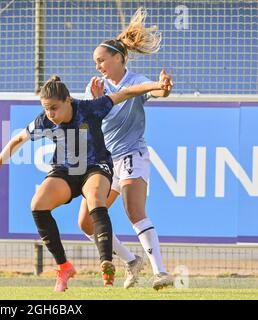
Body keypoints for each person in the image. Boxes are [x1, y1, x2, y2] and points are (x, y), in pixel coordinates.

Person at [0, 73, 171, 292]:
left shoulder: (90, 108)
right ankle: (64, 266)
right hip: (65, 170)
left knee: (96, 197)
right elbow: (18, 139)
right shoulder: (44, 120)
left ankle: (106, 261)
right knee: (38, 205)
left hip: (96, 166)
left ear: (68, 100)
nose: (50, 114)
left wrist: (157, 85)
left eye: (54, 108)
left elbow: (126, 93)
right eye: (46, 108)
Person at [78, 8, 174, 290]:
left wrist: (163, 87)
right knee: (85, 222)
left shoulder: (135, 80)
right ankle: (131, 261)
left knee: (134, 210)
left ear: (118, 58)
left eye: (101, 60)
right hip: (105, 163)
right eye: (96, 62)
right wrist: (96, 103)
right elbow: (89, 122)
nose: (98, 66)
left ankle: (161, 273)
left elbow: (152, 90)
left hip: (132, 153)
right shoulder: (95, 86)